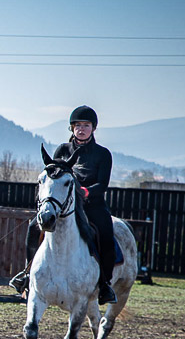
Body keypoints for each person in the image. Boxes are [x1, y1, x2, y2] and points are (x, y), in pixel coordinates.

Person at [9, 105, 117, 305]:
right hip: (64, 206)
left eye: (86, 125)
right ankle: (27, 274)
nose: (81, 129)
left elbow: (102, 184)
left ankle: (105, 284)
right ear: (72, 128)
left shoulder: (103, 154)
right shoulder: (62, 150)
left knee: (106, 234)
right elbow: (53, 176)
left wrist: (85, 191)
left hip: (92, 205)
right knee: (34, 227)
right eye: (77, 125)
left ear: (93, 128)